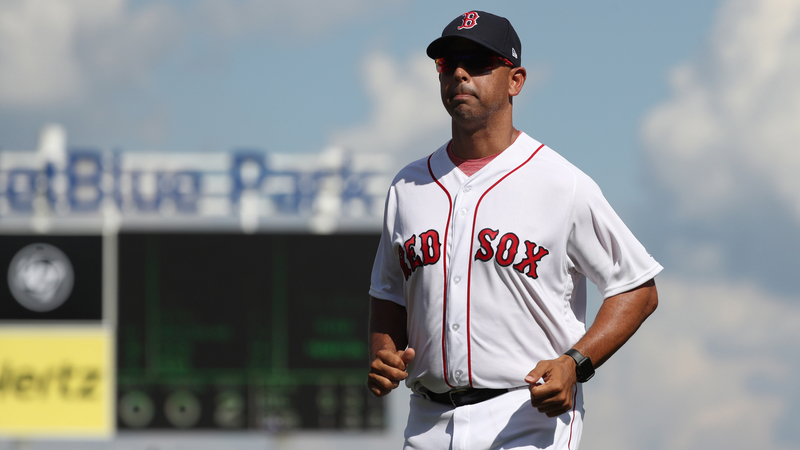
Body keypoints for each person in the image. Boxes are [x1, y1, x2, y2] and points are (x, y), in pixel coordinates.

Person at [367, 10, 661, 450]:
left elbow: (637, 288)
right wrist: (382, 352)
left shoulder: (560, 183)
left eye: (480, 61)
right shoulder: (409, 186)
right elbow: (389, 292)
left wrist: (574, 363)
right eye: (448, 63)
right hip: (426, 421)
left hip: (525, 418)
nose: (460, 73)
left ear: (515, 80)